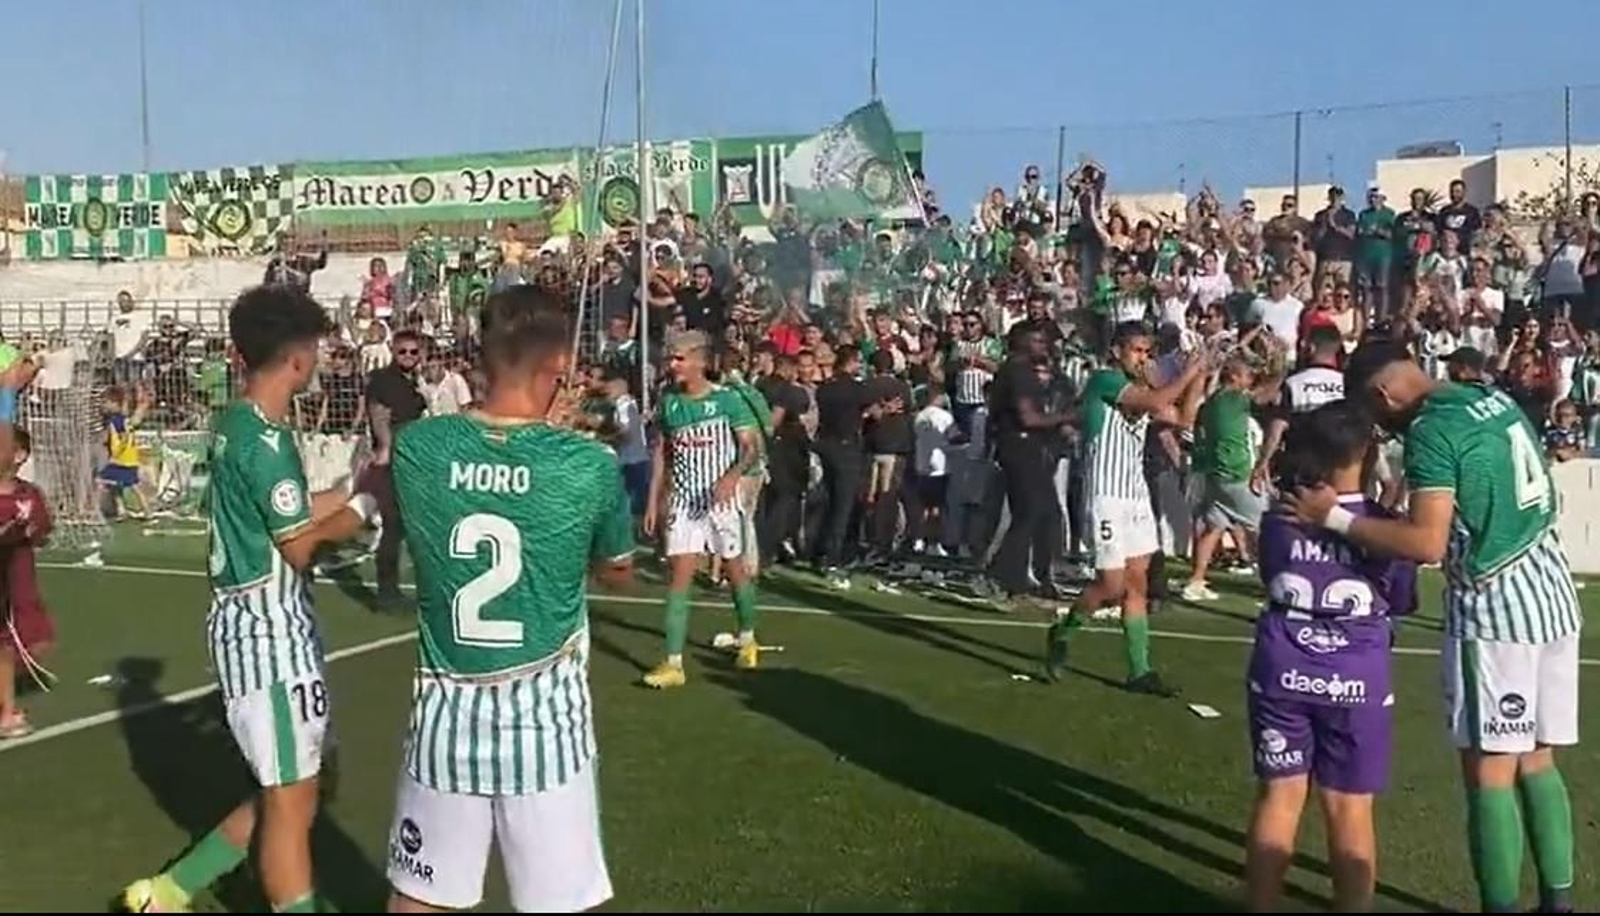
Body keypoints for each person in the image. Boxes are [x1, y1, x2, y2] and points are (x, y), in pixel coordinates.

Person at [1287, 339, 1582, 914]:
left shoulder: (1430, 430)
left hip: (1496, 608)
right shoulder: (1487, 395)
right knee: (1538, 759)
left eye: (1376, 414)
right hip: (1550, 588)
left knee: (1489, 771)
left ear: (1383, 393)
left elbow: (1426, 541)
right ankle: (1559, 902)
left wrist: (1334, 518)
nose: (1382, 428)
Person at [121, 286, 380, 914]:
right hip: (267, 633)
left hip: (266, 625)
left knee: (294, 790)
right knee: (291, 801)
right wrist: (366, 508)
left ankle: (170, 892)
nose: (319, 360)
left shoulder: (240, 422)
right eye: (315, 348)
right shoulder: (266, 441)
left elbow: (283, 514)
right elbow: (299, 547)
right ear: (297, 358)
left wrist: (352, 490)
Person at [384, 286, 634, 913]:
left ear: (482, 356)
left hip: (444, 718)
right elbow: (619, 572)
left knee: (419, 901)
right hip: (544, 724)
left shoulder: (419, 446)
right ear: (560, 367)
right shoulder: (588, 464)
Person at [1243, 401, 1417, 912]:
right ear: (1367, 454)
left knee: (1279, 797)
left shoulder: (1281, 516)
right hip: (1354, 675)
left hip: (1282, 663)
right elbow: (1402, 597)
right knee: (1349, 808)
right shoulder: (1383, 526)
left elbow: (1270, 574)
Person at [1044, 321, 1207, 696]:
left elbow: (1183, 419)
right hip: (1106, 495)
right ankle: (1064, 630)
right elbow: (1154, 403)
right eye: (1137, 350)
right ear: (1117, 351)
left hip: (1135, 495)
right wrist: (1187, 373)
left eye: (1148, 352)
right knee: (1111, 584)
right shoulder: (1104, 380)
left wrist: (1199, 376)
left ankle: (1140, 670)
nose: (1143, 359)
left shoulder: (1145, 389)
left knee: (1137, 584)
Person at [640, 331, 762, 688]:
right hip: (684, 502)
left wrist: (732, 477)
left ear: (700, 361)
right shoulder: (669, 402)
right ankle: (673, 663)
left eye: (679, 358)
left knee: (735, 570)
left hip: (722, 503)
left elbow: (751, 448)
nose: (672, 364)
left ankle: (748, 638)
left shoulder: (727, 400)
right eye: (670, 358)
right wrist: (653, 500)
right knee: (679, 578)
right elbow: (662, 453)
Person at [985, 324, 1074, 599]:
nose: (1043, 345)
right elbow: (1029, 418)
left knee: (1043, 512)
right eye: (1036, 340)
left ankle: (1030, 577)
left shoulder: (1013, 370)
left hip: (1020, 446)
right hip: (1020, 445)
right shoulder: (1019, 372)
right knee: (1032, 511)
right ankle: (1001, 575)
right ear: (1020, 341)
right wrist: (1068, 417)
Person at [366, 329, 428, 609]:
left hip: (413, 456)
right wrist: (386, 449)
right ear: (392, 350)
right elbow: (379, 416)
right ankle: (387, 591)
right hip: (395, 458)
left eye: (414, 351)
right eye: (403, 351)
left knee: (408, 524)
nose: (408, 356)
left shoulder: (413, 380)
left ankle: (398, 588)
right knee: (393, 525)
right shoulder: (384, 379)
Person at [0, 428, 53, 739]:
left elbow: (42, 531)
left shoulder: (28, 494)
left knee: (17, 641)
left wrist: (29, 530)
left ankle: (6, 711)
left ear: (19, 455)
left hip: (15, 578)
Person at [1251, 324, 1346, 493]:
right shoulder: (1347, 384)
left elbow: (1277, 427)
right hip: (1339, 469)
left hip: (1301, 470)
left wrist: (1262, 462)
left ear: (1311, 347)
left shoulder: (1294, 383)